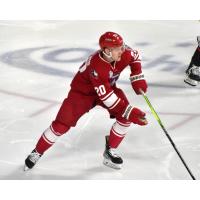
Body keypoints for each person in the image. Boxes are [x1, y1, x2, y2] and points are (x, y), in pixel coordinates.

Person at [24, 31, 148, 171]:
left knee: (125, 118)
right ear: (107, 51)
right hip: (82, 95)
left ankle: (110, 151)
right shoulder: (97, 67)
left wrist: (137, 76)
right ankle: (37, 152)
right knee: (61, 125)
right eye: (118, 48)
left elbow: (135, 56)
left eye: (122, 46)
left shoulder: (123, 52)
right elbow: (107, 98)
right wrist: (130, 112)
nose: (123, 50)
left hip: (107, 88)